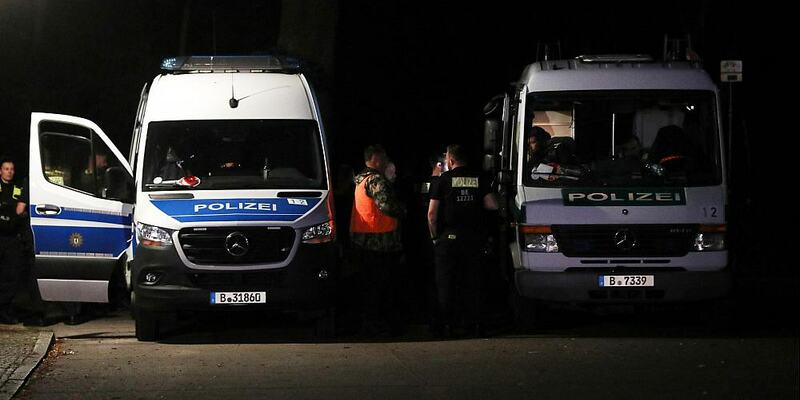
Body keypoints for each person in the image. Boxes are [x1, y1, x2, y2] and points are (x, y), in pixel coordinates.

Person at [428, 144, 498, 337]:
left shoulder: (443, 180)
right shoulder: (480, 178)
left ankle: (447, 326)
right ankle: (474, 325)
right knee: (473, 283)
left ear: (450, 161)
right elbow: (492, 205)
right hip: (474, 239)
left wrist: (435, 238)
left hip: (448, 240)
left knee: (446, 284)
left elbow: (432, 214)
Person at [350, 144, 406, 335]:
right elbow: (387, 205)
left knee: (367, 285)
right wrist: (404, 210)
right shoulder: (376, 180)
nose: (385, 162)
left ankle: (368, 322)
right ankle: (377, 324)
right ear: (375, 159)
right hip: (380, 242)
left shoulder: (360, 179)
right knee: (380, 286)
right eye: (383, 158)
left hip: (362, 240)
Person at [0, 158, 28, 324]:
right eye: (6, 169)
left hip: (12, 238)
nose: (9, 172)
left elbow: (20, 211)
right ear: (0, 171)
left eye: (11, 169)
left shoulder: (18, 187)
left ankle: (5, 310)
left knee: (11, 276)